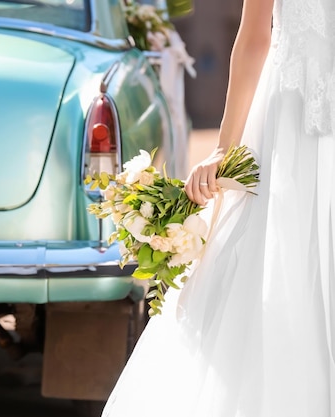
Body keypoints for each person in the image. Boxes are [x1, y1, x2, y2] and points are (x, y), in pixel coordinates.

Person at [102, 0, 335, 415]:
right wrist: (225, 153)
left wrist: (225, 151)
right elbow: (254, 38)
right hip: (288, 130)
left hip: (293, 125)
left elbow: (254, 38)